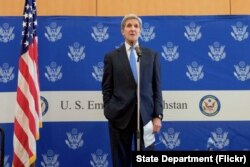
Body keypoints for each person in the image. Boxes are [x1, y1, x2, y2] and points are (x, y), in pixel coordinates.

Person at [102, 14, 163, 167]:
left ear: (140, 31)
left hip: (146, 117)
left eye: (136, 26)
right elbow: (107, 87)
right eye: (129, 26)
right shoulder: (112, 57)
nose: (132, 29)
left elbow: (157, 88)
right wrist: (109, 110)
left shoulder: (151, 55)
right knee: (120, 161)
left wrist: (158, 115)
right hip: (119, 116)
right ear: (122, 31)